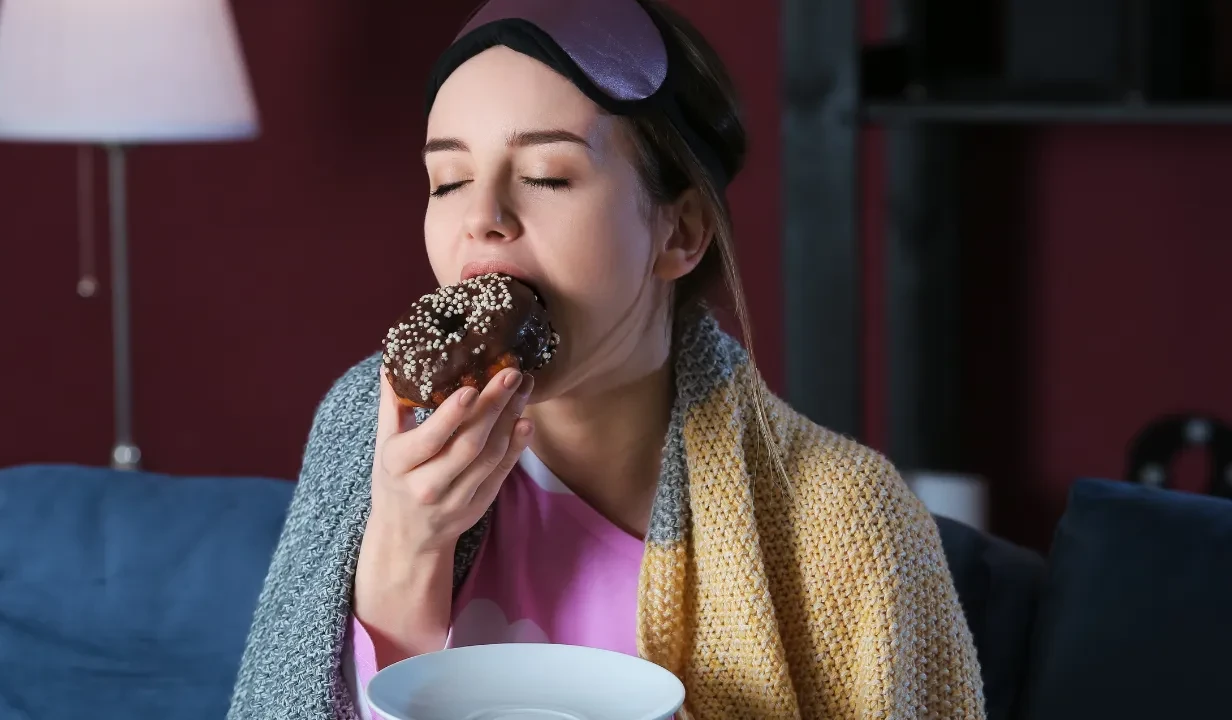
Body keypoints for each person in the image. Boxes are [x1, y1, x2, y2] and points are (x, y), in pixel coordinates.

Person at [227, 0, 985, 718]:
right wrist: (405, 547)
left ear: (681, 231)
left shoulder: (847, 523)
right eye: (448, 181)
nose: (482, 220)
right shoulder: (366, 428)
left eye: (548, 176)